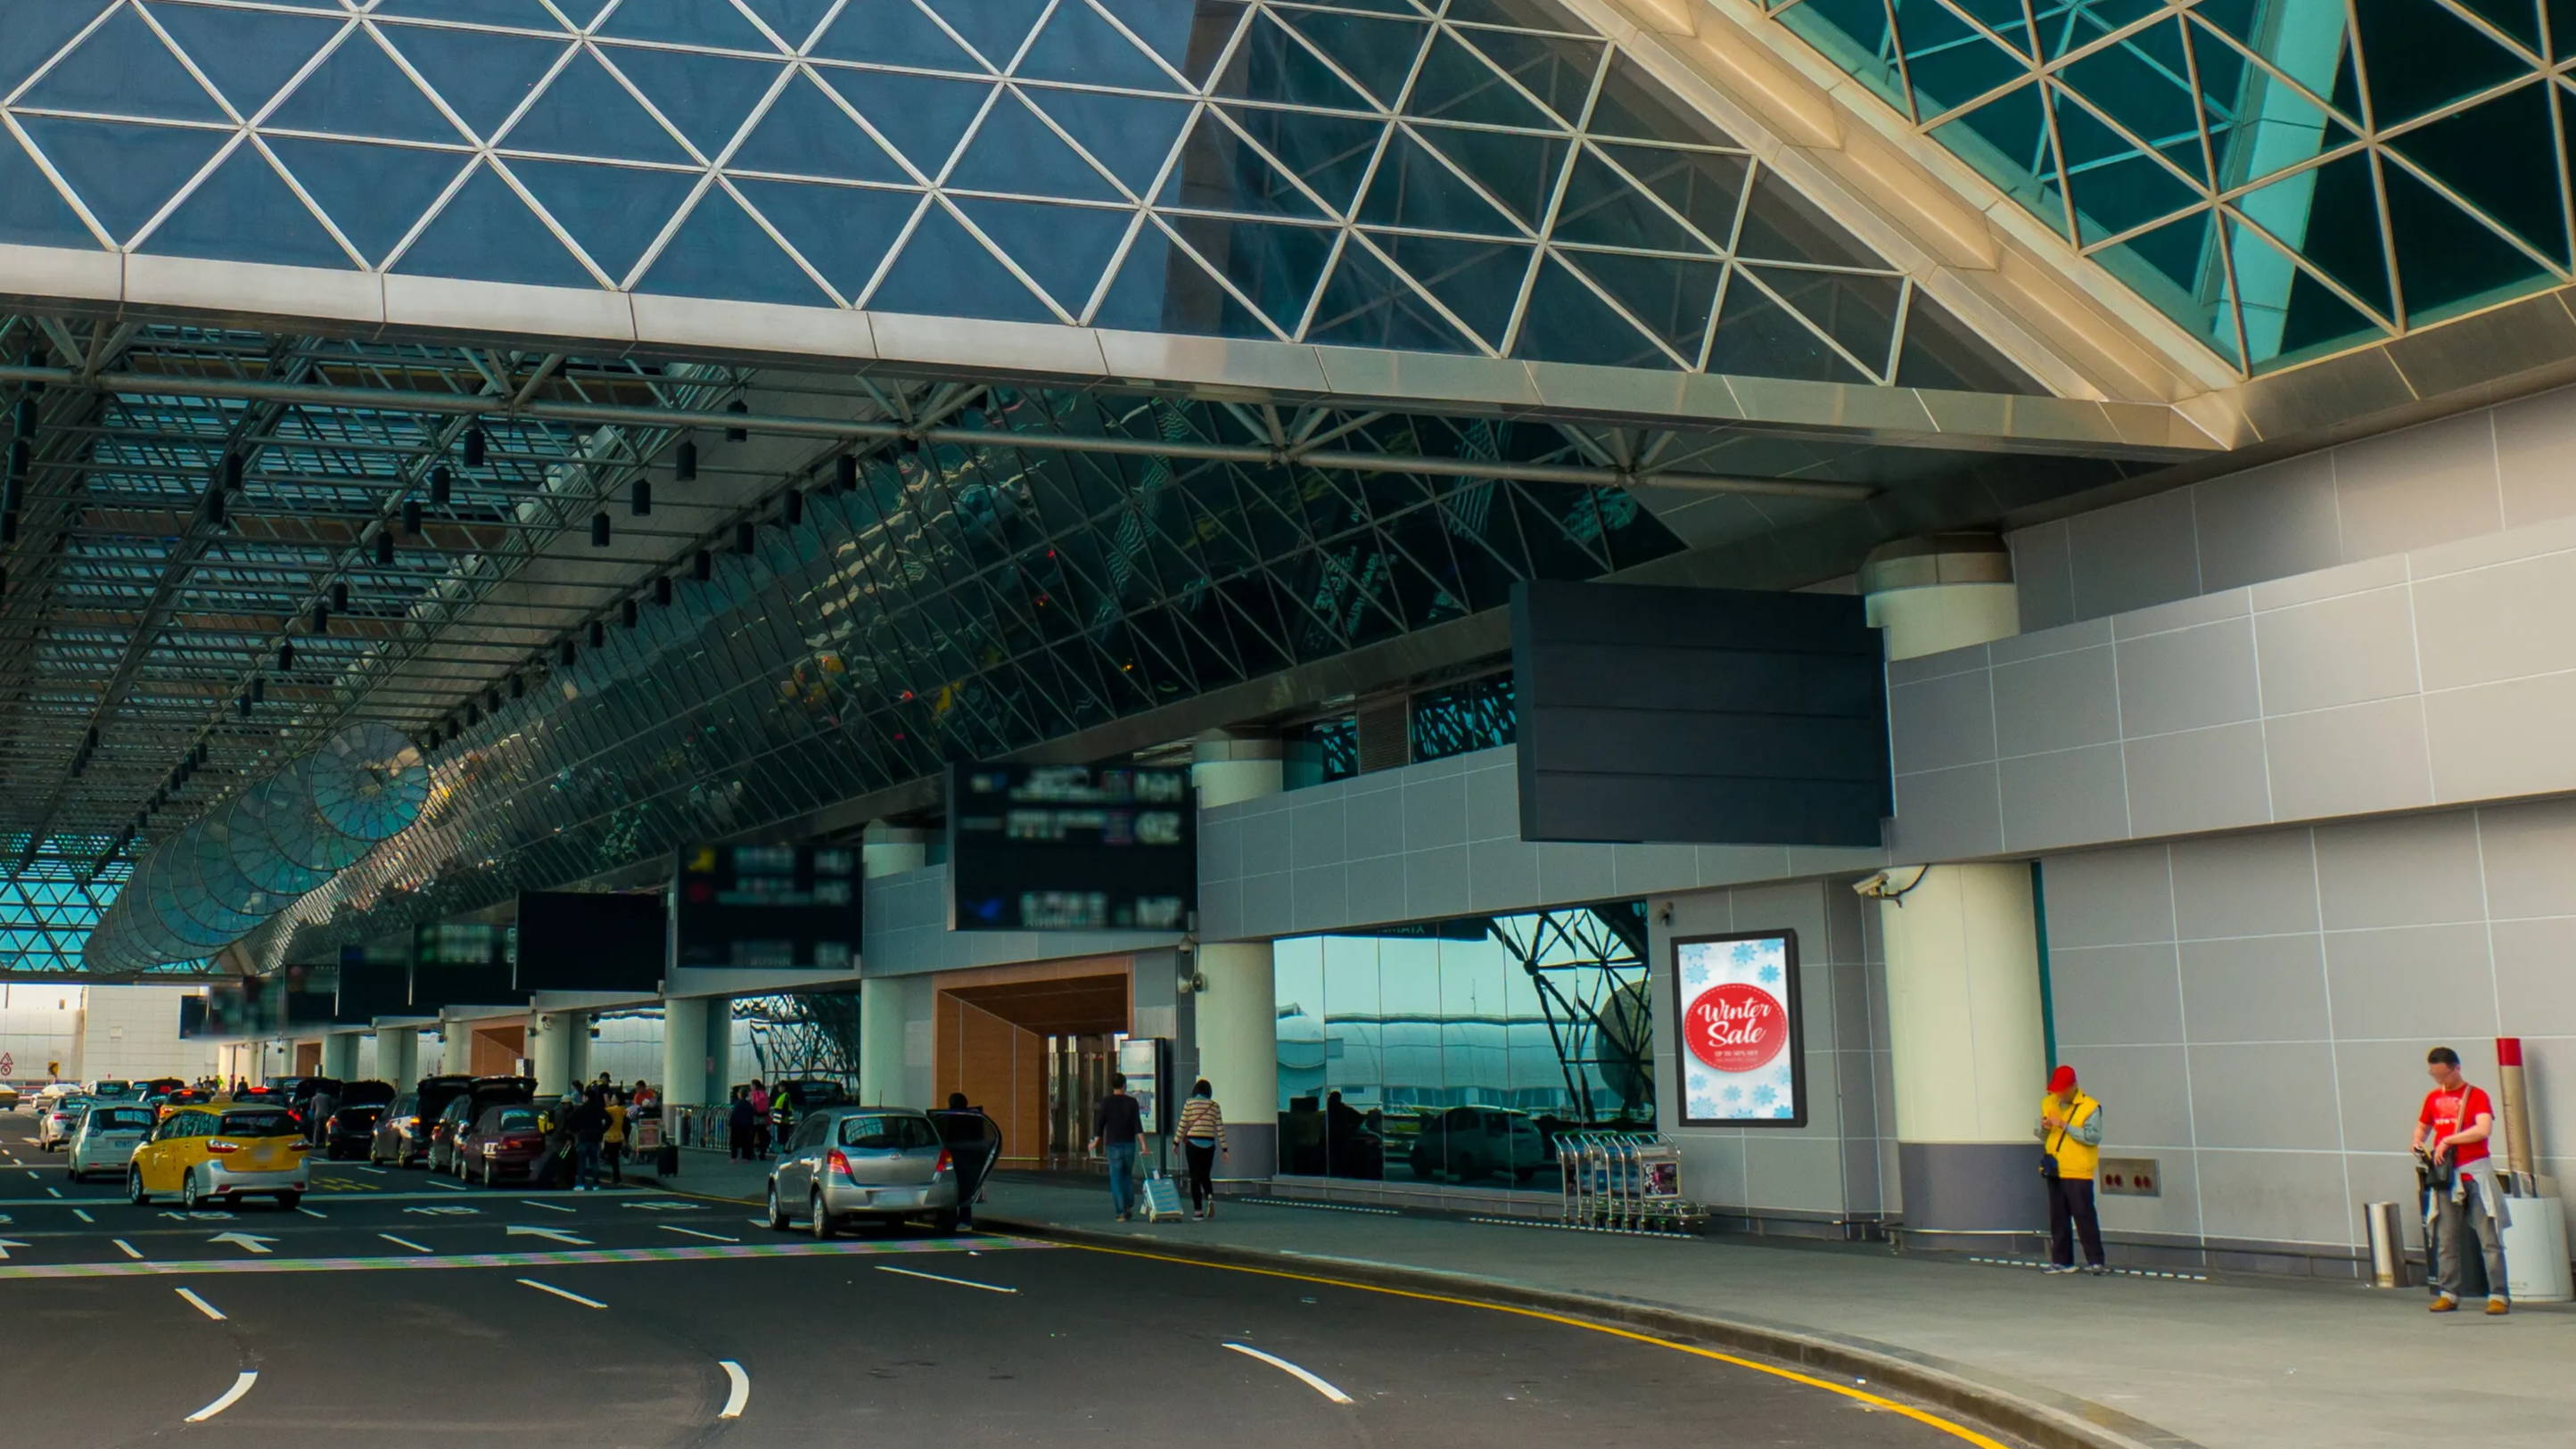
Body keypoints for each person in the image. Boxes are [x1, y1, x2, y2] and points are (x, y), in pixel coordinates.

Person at [2416, 1046, 2509, 1315]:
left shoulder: (2476, 1096)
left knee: (2488, 1237)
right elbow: (2423, 1125)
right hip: (2447, 1175)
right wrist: (2418, 1140)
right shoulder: (2433, 1098)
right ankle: (2449, 1292)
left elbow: (2482, 1130)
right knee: (2446, 1238)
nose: (2440, 1081)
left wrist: (2448, 1139)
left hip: (2474, 1171)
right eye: (2435, 1075)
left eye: (2444, 1075)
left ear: (2457, 1068)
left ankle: (2499, 1294)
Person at [2036, 1064, 2106, 1276]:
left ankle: (2096, 1261)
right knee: (2058, 1217)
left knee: (2084, 1215)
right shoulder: (2048, 1102)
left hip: (2078, 1169)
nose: (2058, 1094)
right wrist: (2045, 1128)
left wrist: (2065, 1125)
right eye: (2055, 1090)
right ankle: (2062, 1260)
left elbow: (2093, 1137)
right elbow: (2042, 1135)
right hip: (2055, 1167)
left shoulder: (2090, 1106)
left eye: (2062, 1090)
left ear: (2074, 1086)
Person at [1087, 1071, 1144, 1222]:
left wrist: (1095, 1142)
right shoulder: (1132, 1102)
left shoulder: (1106, 1102)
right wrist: (1144, 1145)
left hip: (1113, 1145)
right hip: (1129, 1144)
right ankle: (1129, 1203)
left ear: (1112, 1086)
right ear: (1124, 1085)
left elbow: (1101, 1124)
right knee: (1127, 1175)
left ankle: (1121, 1212)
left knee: (1116, 1178)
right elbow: (1137, 1125)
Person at [1173, 1078, 1227, 1221]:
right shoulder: (1214, 1106)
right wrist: (1225, 1149)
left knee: (1195, 1177)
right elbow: (1220, 1128)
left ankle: (1198, 1211)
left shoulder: (1190, 1103)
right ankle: (1209, 1196)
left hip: (1193, 1144)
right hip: (1209, 1145)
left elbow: (1183, 1123)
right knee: (1205, 1174)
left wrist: (1176, 1142)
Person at [570, 1087, 609, 1191]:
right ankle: (596, 1184)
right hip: (595, 1137)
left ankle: (580, 1184)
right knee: (594, 1162)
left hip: (583, 1136)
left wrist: (576, 1130)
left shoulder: (581, 1109)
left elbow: (572, 1121)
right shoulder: (599, 1108)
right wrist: (602, 1130)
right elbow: (609, 1119)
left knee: (582, 1162)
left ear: (586, 1097)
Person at [602, 1090, 629, 1187]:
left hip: (610, 1136)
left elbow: (604, 1110)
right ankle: (617, 1177)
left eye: (613, 1098)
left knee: (609, 1157)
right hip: (618, 1136)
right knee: (614, 1159)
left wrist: (605, 1098)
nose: (611, 1099)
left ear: (617, 1100)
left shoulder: (613, 1110)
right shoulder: (622, 1109)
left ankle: (616, 1177)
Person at [727, 1086, 754, 1161]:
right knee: (746, 1142)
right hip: (747, 1125)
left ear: (740, 1094)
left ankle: (734, 1157)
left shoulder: (737, 1104)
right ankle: (745, 1157)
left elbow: (734, 1115)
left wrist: (730, 1124)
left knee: (734, 1142)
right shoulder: (749, 1105)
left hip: (737, 1125)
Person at [747, 1080, 771, 1157]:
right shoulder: (764, 1093)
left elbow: (752, 1105)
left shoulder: (754, 1094)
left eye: (751, 1085)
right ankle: (762, 1153)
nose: (750, 1087)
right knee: (763, 1136)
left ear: (754, 1086)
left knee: (751, 1135)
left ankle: (751, 1153)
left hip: (755, 1118)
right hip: (764, 1118)